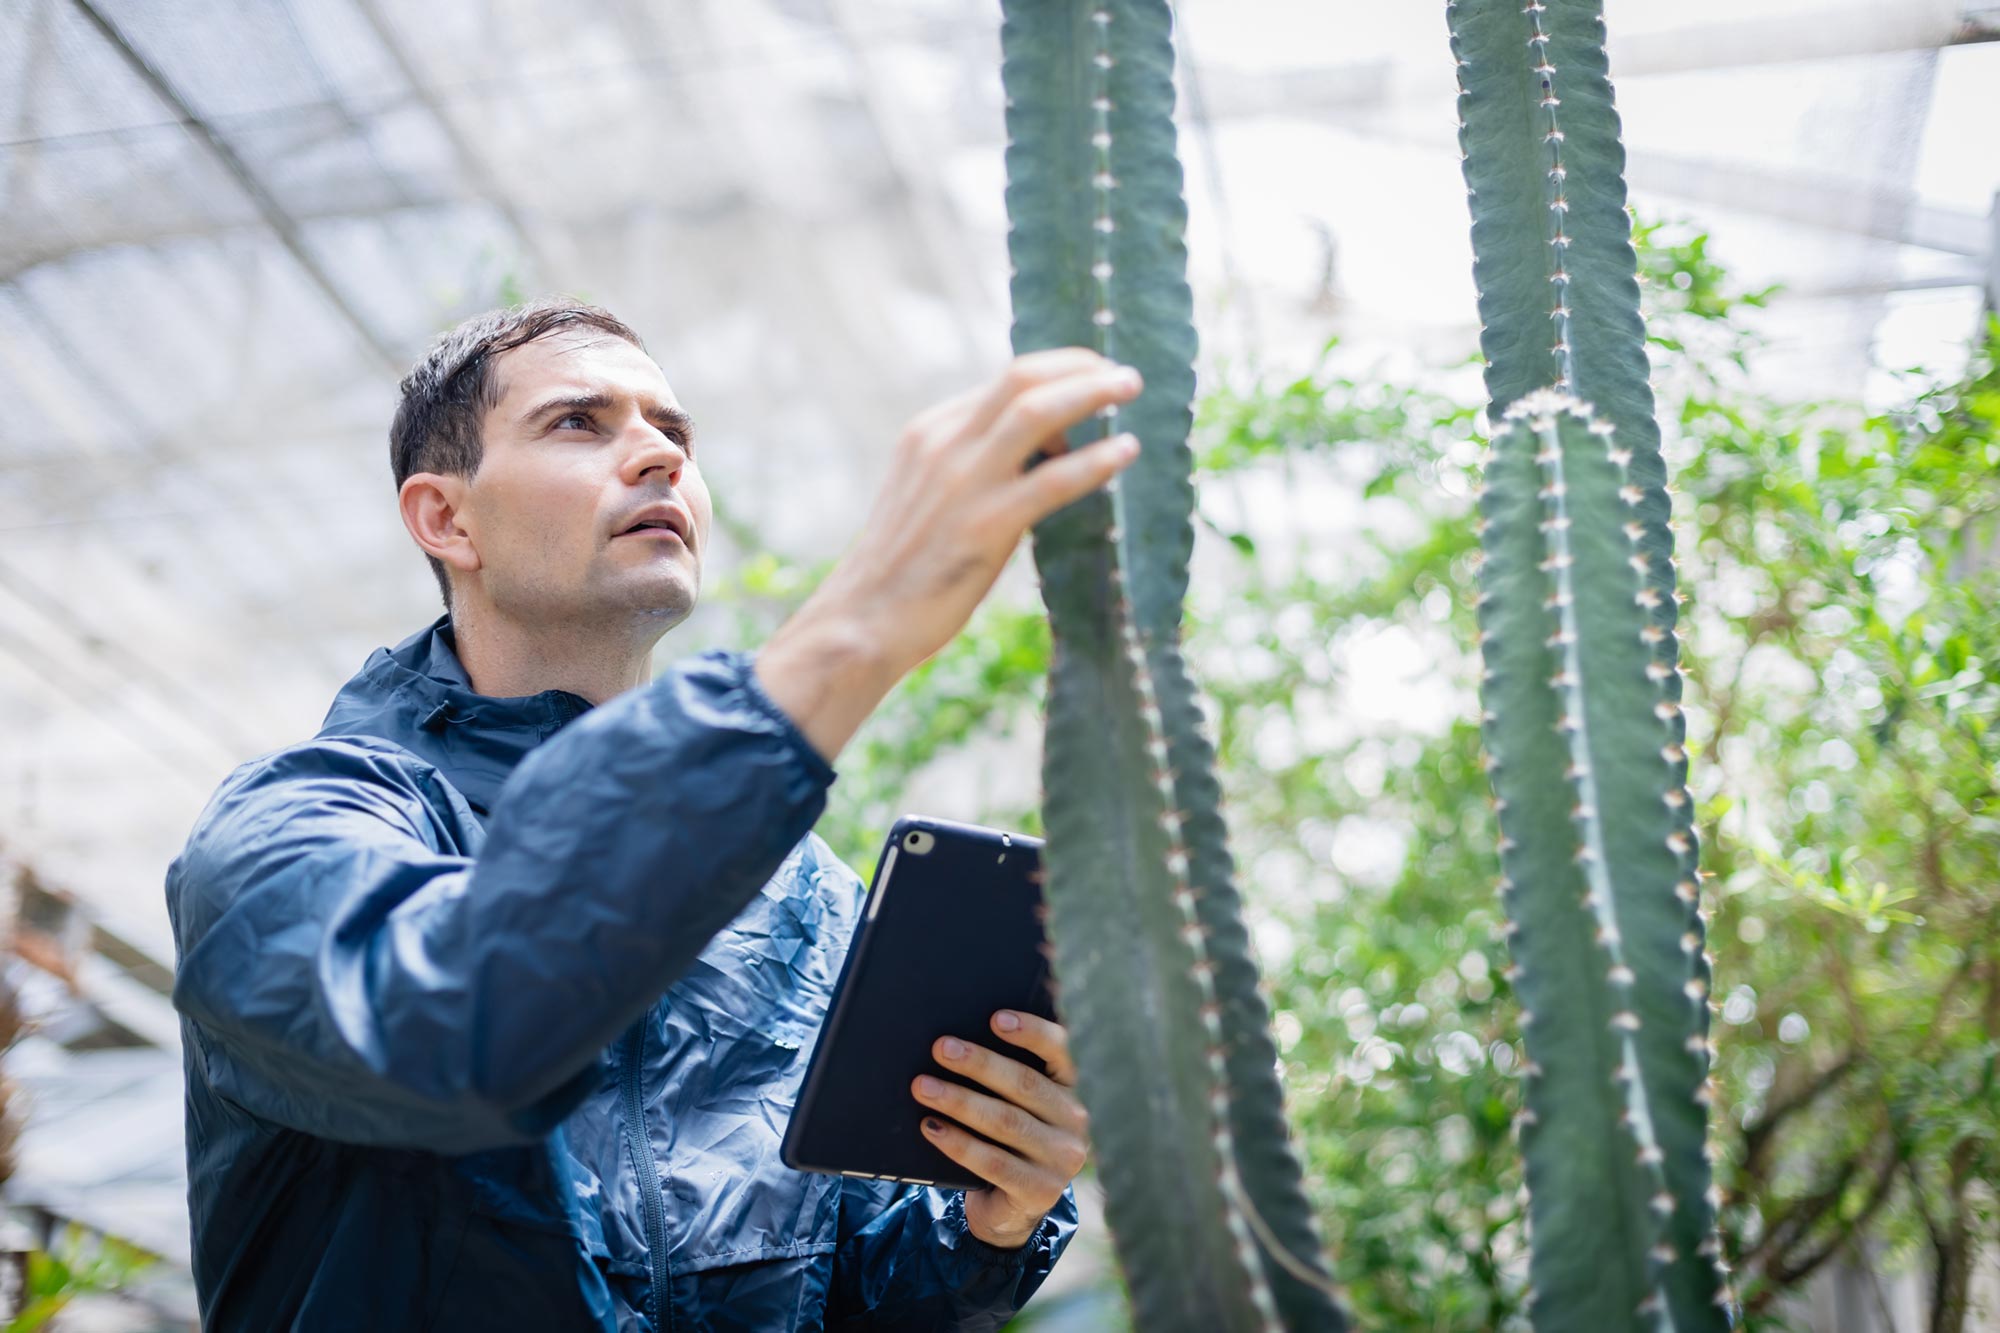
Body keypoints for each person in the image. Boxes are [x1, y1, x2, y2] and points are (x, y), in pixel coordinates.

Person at [164, 299, 1146, 1331]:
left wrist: (989, 1218)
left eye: (674, 432)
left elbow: (848, 1299)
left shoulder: (803, 896)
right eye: (579, 422)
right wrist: (849, 634)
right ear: (445, 519)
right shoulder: (294, 828)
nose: (656, 455)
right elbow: (450, 1030)